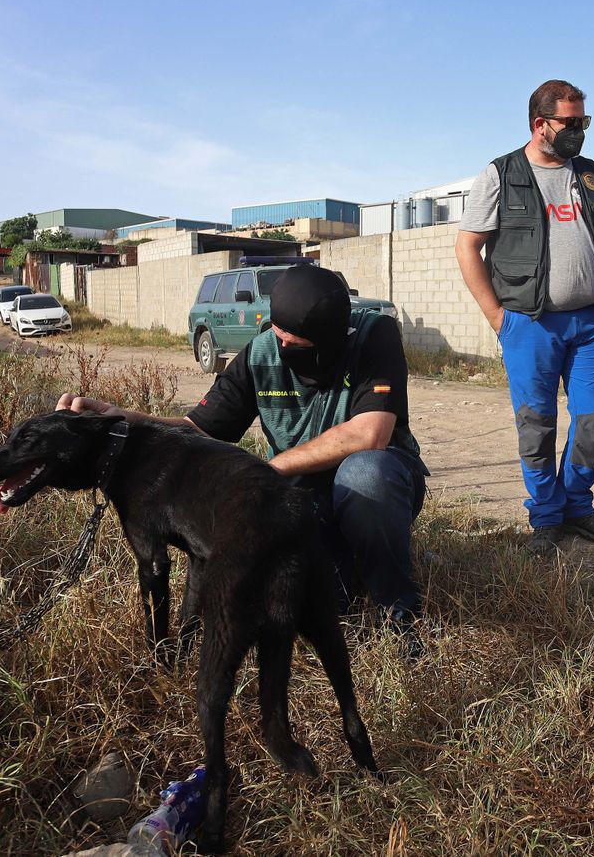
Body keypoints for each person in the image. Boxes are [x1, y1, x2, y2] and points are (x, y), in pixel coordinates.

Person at [56, 264, 428, 655]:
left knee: (365, 474)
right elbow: (197, 429)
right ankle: (351, 560)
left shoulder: (374, 336)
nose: (281, 349)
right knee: (326, 601)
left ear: (330, 340)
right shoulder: (261, 354)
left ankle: (399, 613)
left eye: (295, 344)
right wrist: (126, 419)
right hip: (305, 499)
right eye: (277, 335)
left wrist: (268, 471)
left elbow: (370, 433)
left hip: (381, 480)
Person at [454, 79, 594, 558]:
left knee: (591, 420)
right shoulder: (501, 174)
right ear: (540, 124)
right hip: (530, 324)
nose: (579, 132)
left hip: (593, 323)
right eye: (570, 123)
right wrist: (497, 317)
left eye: (583, 123)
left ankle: (577, 506)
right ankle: (547, 517)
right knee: (538, 424)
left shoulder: (590, 174)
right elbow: (468, 246)